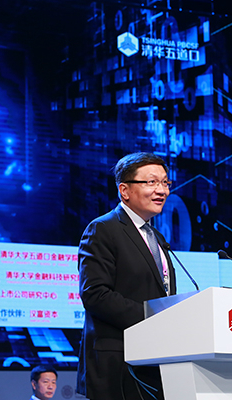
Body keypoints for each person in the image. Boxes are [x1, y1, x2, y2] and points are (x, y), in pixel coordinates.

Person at [76, 152, 177, 400]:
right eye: (151, 182)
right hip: (117, 366)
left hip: (154, 364)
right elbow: (95, 294)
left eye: (165, 182)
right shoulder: (103, 229)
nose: (162, 190)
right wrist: (152, 317)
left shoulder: (157, 237)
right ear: (124, 190)